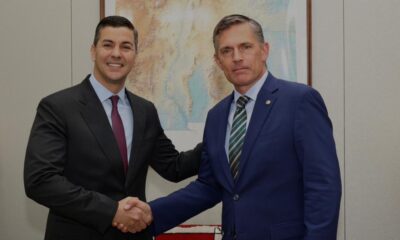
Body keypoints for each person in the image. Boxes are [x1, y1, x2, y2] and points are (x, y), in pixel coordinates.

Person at [124, 14, 342, 240]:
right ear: (218, 61)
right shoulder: (216, 117)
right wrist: (151, 213)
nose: (237, 57)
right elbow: (209, 186)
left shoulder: (300, 101)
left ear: (264, 50)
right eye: (227, 51)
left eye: (245, 47)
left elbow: (323, 186)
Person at [24, 15, 202, 240]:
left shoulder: (144, 110)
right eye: (108, 45)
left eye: (126, 47)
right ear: (93, 51)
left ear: (135, 55)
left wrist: (222, 137)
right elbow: (40, 180)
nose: (116, 53)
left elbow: (174, 167)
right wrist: (111, 211)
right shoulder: (58, 107)